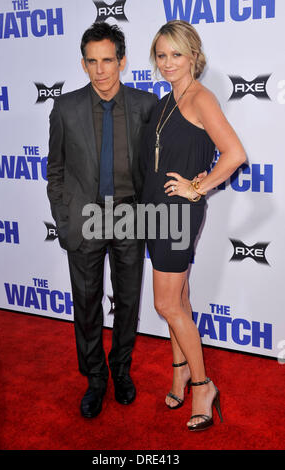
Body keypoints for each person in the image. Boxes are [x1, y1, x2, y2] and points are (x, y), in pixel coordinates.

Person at [46, 22, 158, 418]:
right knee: (87, 303)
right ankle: (95, 379)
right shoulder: (66, 108)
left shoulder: (147, 105)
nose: (100, 70)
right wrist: (64, 219)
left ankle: (121, 371)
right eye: (91, 62)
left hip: (130, 213)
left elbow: (156, 167)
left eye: (107, 61)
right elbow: (55, 170)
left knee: (127, 302)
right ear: (82, 64)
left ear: (122, 62)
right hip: (85, 216)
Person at [141, 20, 246, 431]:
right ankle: (180, 370)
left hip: (177, 216)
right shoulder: (168, 98)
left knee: (166, 304)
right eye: (162, 55)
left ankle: (203, 385)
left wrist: (197, 187)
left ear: (194, 57)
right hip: (155, 211)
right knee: (178, 302)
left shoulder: (200, 98)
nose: (167, 63)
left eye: (176, 55)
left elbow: (234, 153)